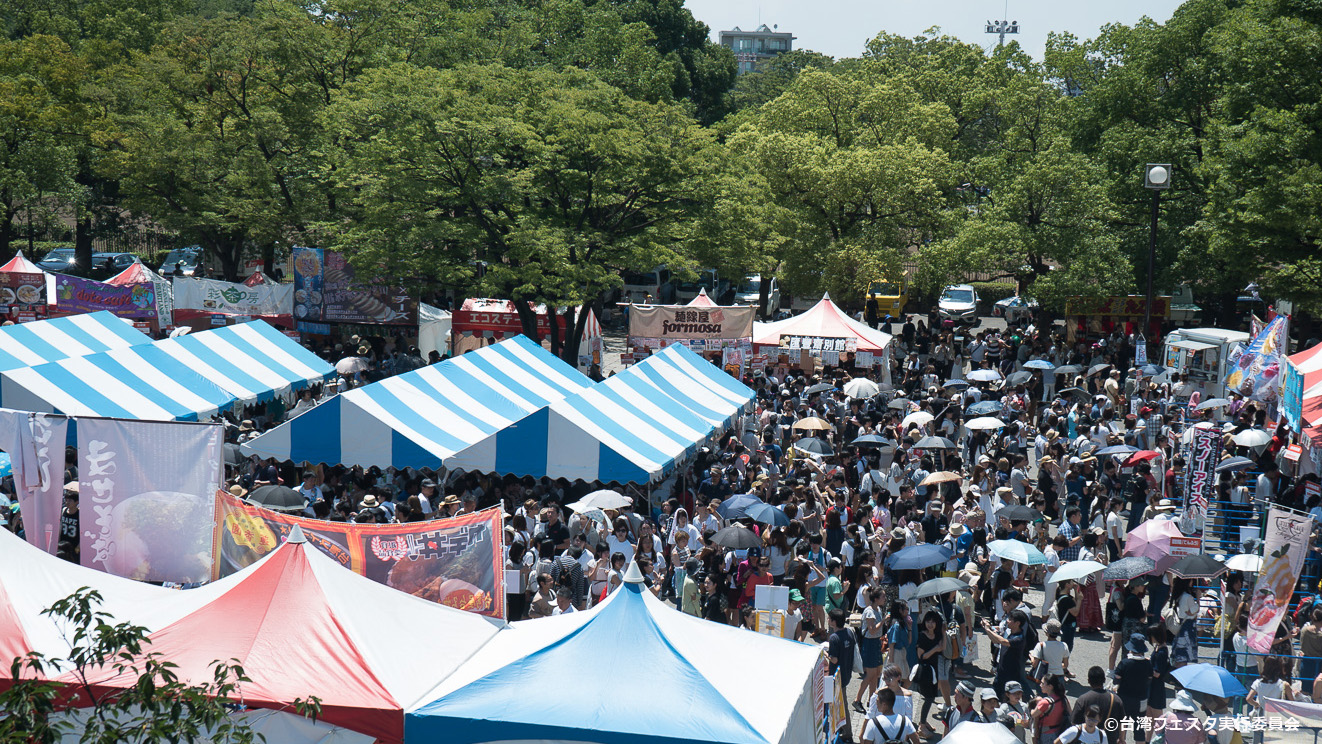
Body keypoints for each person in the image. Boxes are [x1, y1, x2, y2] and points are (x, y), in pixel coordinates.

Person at [1113, 633, 1153, 742]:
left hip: (1124, 699)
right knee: (1139, 727)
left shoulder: (1124, 663)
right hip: (1141, 700)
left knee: (1122, 724)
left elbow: (1116, 679)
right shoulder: (1147, 664)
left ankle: (1122, 740)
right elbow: (1150, 678)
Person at [983, 608, 1031, 697]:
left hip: (1010, 675)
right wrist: (987, 629)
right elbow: (996, 640)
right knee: (995, 695)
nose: (1007, 621)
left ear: (1017, 623)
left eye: (1010, 619)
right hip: (1001, 671)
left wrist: (988, 630)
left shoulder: (1019, 638)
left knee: (1007, 698)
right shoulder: (1010, 632)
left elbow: (1004, 642)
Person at [827, 608, 858, 743]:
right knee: (840, 702)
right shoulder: (849, 632)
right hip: (846, 673)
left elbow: (834, 659)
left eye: (829, 618)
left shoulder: (834, 638)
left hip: (836, 676)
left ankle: (846, 733)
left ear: (834, 622)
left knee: (840, 704)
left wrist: (826, 653)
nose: (828, 620)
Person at [914, 609, 946, 736]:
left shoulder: (938, 635)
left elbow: (943, 648)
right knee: (928, 698)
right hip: (925, 671)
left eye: (933, 622)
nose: (930, 624)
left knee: (931, 696)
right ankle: (921, 726)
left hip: (934, 670)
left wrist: (943, 633)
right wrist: (935, 649)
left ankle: (924, 721)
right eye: (928, 621)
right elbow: (922, 656)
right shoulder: (922, 636)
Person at [1072, 666, 1124, 744]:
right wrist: (1121, 738)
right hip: (1110, 740)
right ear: (1104, 680)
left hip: (1086, 740)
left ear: (1089, 681)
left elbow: (1074, 723)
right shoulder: (1116, 700)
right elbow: (1122, 722)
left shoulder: (1083, 700)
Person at [855, 587, 886, 713]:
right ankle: (857, 700)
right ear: (876, 598)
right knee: (871, 674)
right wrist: (883, 621)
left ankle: (872, 700)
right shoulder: (869, 612)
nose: (885, 599)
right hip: (870, 643)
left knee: (876, 674)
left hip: (876, 642)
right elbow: (872, 629)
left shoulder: (877, 609)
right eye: (883, 597)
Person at [1030, 620, 1072, 685]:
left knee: (1043, 695)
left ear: (1047, 633)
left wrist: (1031, 656)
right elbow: (1065, 665)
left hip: (1045, 678)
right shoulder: (1064, 645)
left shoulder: (1040, 645)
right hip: (1059, 677)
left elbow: (1034, 664)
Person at [1032, 674, 1071, 744]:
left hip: (1046, 734)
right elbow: (1070, 713)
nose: (1040, 685)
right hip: (1060, 731)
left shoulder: (1045, 702)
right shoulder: (1063, 698)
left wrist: (1032, 707)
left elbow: (1033, 714)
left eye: (1043, 683)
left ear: (1050, 686)